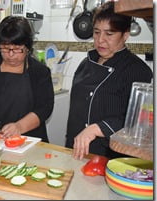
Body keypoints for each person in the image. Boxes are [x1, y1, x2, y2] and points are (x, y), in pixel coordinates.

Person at [65, 1, 153, 160]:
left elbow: (138, 122)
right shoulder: (86, 63)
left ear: (125, 35)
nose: (100, 40)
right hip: (76, 149)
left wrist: (97, 128)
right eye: (97, 32)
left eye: (109, 34)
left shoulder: (137, 70)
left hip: (110, 156)